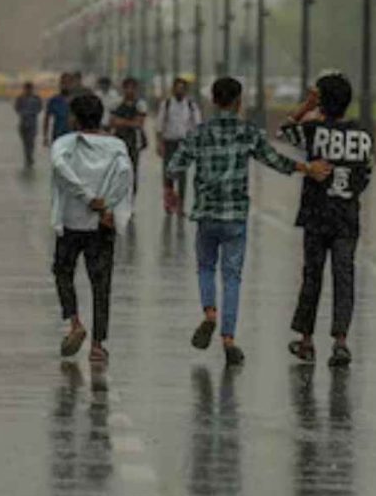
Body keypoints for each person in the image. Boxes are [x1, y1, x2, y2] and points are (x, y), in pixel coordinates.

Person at [166, 77, 331, 366]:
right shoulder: (248, 132)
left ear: (214, 101)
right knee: (232, 277)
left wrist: (170, 189)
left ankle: (209, 314)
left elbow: (175, 165)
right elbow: (275, 161)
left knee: (205, 266)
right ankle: (229, 339)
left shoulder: (199, 132)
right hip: (236, 216)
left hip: (206, 213)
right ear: (239, 102)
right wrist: (307, 168)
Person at [278, 73, 373, 368]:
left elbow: (284, 130)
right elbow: (365, 175)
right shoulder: (363, 135)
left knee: (312, 277)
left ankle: (306, 339)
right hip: (346, 217)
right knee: (344, 278)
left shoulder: (313, 131)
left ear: (323, 101)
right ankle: (341, 340)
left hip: (317, 216)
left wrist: (307, 105)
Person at [50, 93, 134, 364]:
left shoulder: (64, 143)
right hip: (103, 224)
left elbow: (59, 166)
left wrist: (86, 197)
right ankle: (98, 345)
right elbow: (124, 174)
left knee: (63, 272)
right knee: (101, 284)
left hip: (71, 223)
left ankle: (75, 322)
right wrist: (106, 205)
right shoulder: (117, 146)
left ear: (74, 117)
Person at [156, 77, 202, 214]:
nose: (179, 90)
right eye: (177, 87)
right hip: (169, 142)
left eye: (182, 88)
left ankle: (181, 206)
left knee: (183, 176)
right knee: (168, 174)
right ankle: (169, 203)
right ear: (173, 89)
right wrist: (159, 144)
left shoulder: (191, 106)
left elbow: (197, 125)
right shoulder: (167, 104)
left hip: (184, 143)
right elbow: (159, 125)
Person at [108, 77, 148, 194]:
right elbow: (112, 122)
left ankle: (130, 200)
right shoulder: (116, 103)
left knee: (132, 171)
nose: (129, 91)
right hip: (118, 140)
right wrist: (130, 122)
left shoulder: (140, 104)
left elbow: (139, 123)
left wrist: (122, 122)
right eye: (127, 88)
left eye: (132, 88)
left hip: (134, 141)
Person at [14, 81, 44, 167]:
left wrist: (30, 113)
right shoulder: (20, 98)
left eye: (29, 89)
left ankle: (29, 157)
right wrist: (24, 113)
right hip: (23, 123)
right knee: (25, 142)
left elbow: (39, 108)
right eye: (26, 89)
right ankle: (27, 157)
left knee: (31, 142)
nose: (28, 90)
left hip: (32, 124)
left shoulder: (36, 98)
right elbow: (17, 108)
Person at [43, 73, 73, 147]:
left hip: (73, 137)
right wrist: (45, 136)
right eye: (63, 83)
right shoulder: (54, 100)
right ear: (60, 84)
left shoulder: (78, 100)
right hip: (58, 136)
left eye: (68, 83)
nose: (65, 86)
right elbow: (47, 118)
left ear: (72, 84)